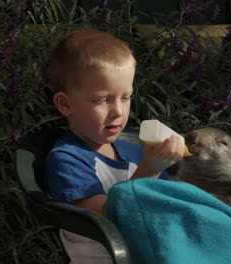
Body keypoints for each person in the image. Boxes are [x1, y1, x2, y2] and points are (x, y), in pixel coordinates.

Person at [44, 30, 185, 264]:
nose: (118, 111)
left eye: (125, 97)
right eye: (102, 99)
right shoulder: (67, 160)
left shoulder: (134, 152)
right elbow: (105, 219)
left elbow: (171, 206)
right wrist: (149, 171)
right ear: (65, 104)